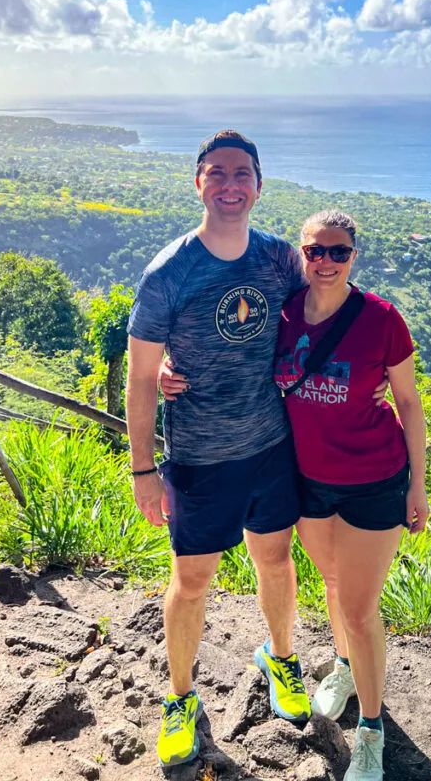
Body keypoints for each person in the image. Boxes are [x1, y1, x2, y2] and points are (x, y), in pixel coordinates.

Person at [126, 130, 312, 769]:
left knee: (276, 558)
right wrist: (143, 469)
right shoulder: (169, 272)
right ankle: (179, 699)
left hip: (270, 445)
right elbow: (141, 377)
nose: (230, 185)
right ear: (197, 182)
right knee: (193, 578)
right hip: (201, 456)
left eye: (243, 173)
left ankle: (280, 657)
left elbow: (320, 320)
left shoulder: (282, 260)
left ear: (260, 184)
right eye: (217, 173)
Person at [273, 208, 429, 781]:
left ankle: (370, 730)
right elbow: (232, 358)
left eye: (338, 252)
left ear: (353, 257)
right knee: (333, 585)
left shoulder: (382, 319)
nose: (326, 262)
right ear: (302, 254)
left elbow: (409, 403)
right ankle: (342, 665)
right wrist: (169, 366)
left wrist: (418, 484)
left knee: (361, 610)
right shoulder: (285, 314)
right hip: (309, 481)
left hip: (374, 480)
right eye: (315, 250)